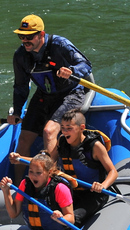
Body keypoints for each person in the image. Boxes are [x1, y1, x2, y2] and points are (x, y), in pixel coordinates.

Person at [7, 14, 92, 184]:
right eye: (21, 36)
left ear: (41, 34)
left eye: (29, 37)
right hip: (43, 95)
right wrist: (16, 112)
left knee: (49, 131)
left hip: (70, 93)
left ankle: (50, 184)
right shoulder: (20, 56)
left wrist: (72, 71)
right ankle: (18, 186)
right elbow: (21, 87)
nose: (25, 41)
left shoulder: (60, 45)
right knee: (23, 139)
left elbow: (86, 64)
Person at [0, 152, 76, 230]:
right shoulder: (25, 184)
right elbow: (14, 213)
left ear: (49, 173)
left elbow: (71, 218)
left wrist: (61, 218)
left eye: (38, 173)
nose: (33, 176)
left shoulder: (60, 188)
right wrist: (6, 192)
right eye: (31, 171)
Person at [50, 108, 118, 225]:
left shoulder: (95, 146)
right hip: (70, 191)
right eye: (63, 128)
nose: (64, 132)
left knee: (74, 218)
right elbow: (49, 161)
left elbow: (113, 171)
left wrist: (102, 185)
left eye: (69, 128)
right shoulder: (62, 141)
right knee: (48, 213)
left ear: (81, 128)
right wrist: (20, 158)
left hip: (92, 194)